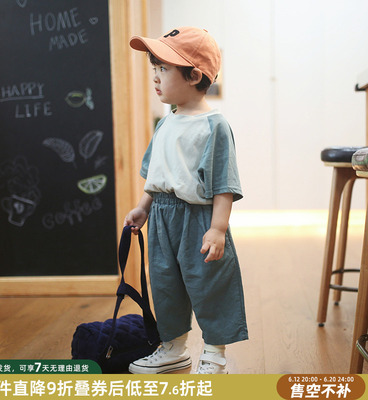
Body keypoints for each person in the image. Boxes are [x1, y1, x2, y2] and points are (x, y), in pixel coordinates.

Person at [124, 26, 248, 374]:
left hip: (198, 219)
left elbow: (223, 185)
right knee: (165, 285)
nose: (155, 77)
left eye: (163, 69)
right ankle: (173, 347)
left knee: (209, 285)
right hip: (162, 218)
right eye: (154, 69)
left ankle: (214, 354)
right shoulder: (166, 123)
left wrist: (217, 229)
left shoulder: (214, 126)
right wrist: (143, 207)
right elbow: (156, 174)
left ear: (194, 76)